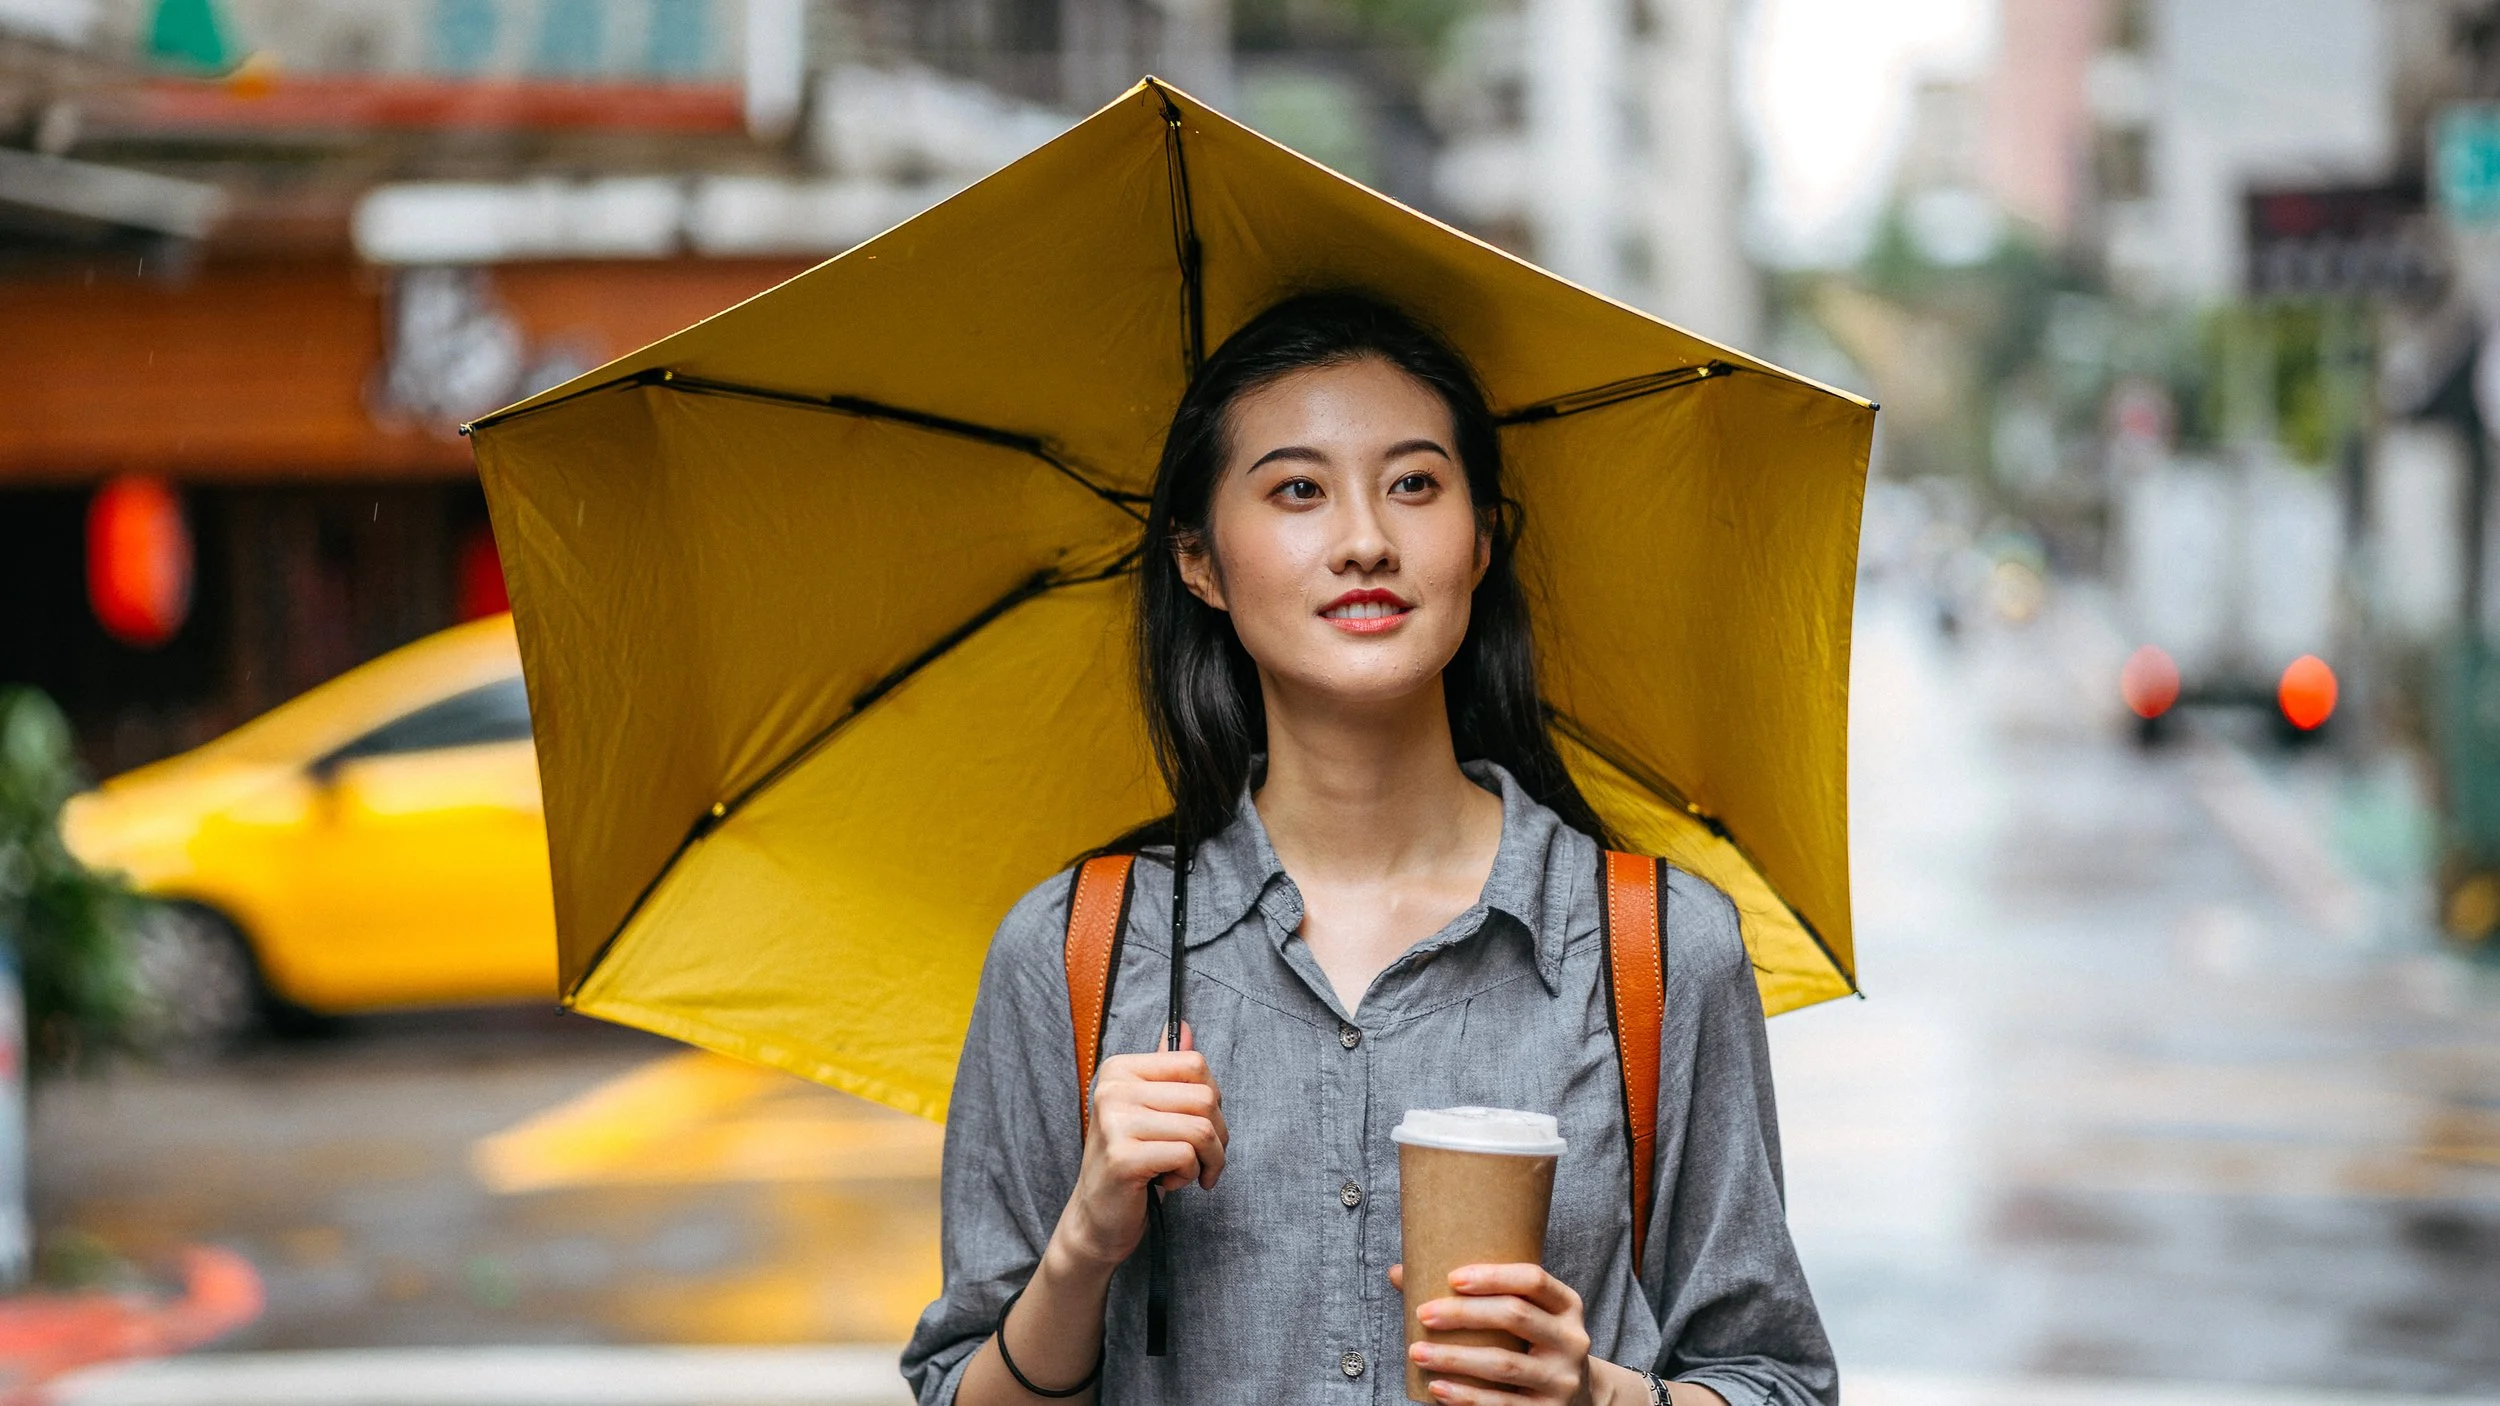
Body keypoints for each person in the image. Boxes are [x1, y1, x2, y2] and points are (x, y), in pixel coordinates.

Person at [903, 293, 1834, 1406]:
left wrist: (1596, 1394)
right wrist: (1082, 1246)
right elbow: (957, 1387)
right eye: (1298, 488)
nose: (1363, 540)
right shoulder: (1075, 948)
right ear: (1198, 559)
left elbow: (1777, 1380)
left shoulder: (1657, 947)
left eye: (1414, 483)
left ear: (1482, 539)